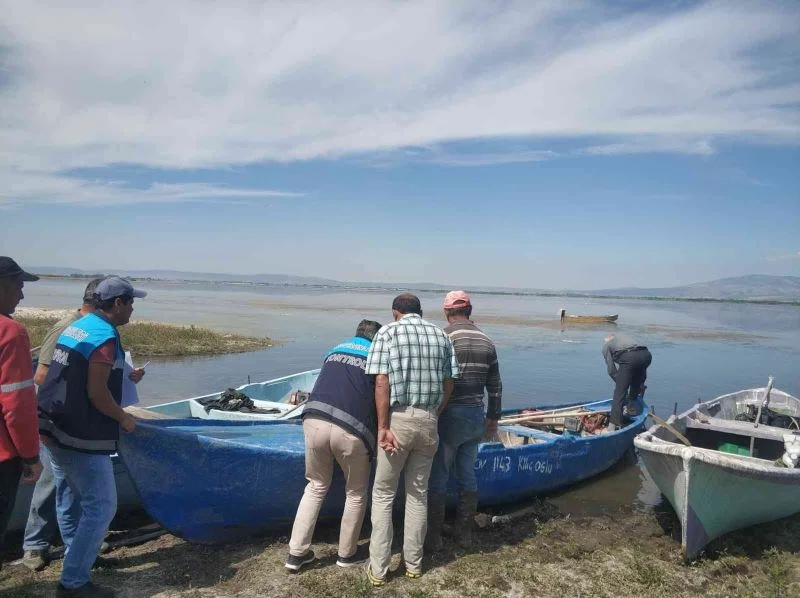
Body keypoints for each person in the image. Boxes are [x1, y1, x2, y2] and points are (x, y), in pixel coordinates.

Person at [22, 279, 145, 572]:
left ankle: (76, 555)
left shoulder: (80, 326)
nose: (132, 309)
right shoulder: (103, 334)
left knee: (66, 495)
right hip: (82, 434)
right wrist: (124, 418)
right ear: (117, 304)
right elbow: (97, 393)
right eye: (130, 303)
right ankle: (75, 578)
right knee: (101, 507)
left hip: (55, 425)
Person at [364, 293, 459, 586]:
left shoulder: (387, 332)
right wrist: (434, 412)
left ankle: (378, 570)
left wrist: (383, 426)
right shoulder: (441, 336)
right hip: (428, 420)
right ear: (420, 311)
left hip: (398, 419)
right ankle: (414, 565)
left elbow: (381, 381)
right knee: (417, 495)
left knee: (383, 494)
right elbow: (449, 382)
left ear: (396, 312)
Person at [285, 319, 382, 573]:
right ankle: (346, 554)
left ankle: (296, 554)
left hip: (314, 418)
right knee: (356, 493)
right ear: (377, 338)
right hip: (350, 429)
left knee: (315, 487)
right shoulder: (377, 355)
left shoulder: (335, 349)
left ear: (357, 334)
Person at [426, 291, 502, 551]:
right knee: (467, 475)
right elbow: (495, 387)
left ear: (447, 312)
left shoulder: (443, 337)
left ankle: (434, 537)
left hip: (450, 415)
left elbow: (434, 379)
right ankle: (464, 534)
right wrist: (493, 419)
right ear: (470, 311)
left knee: (439, 474)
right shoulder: (487, 341)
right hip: (475, 416)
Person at [0, 257, 43, 566]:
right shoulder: (11, 332)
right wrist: (31, 457)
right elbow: (17, 405)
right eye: (19, 285)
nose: (22, 294)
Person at [602, 333, 652, 430]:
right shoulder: (627, 339)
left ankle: (613, 424)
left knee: (619, 393)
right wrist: (640, 381)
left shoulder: (607, 346)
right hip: (647, 355)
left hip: (630, 358)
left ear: (608, 340)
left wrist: (621, 383)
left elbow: (611, 369)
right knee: (636, 381)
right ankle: (631, 408)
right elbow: (641, 366)